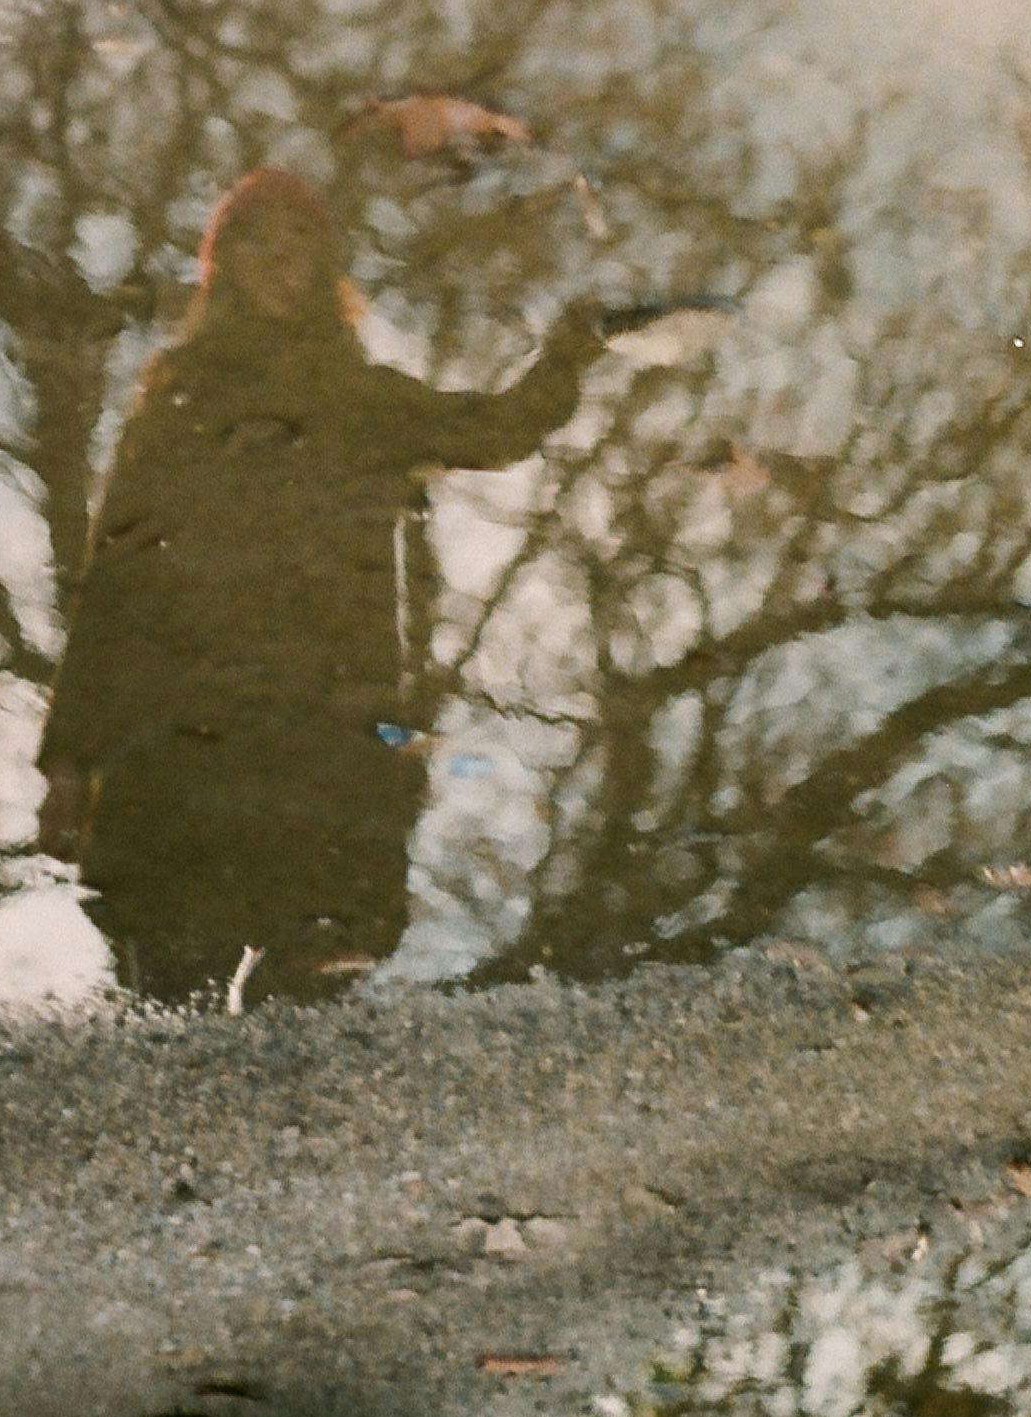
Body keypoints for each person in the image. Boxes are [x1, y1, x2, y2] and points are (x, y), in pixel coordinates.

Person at [35, 166, 605, 1003]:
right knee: (167, 1011)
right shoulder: (179, 402)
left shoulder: (363, 403)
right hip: (184, 748)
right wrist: (68, 766)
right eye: (258, 240)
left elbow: (500, 428)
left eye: (303, 242)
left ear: (326, 270)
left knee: (305, 1021)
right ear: (221, 265)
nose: (281, 260)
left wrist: (573, 349)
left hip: (326, 744)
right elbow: (115, 585)